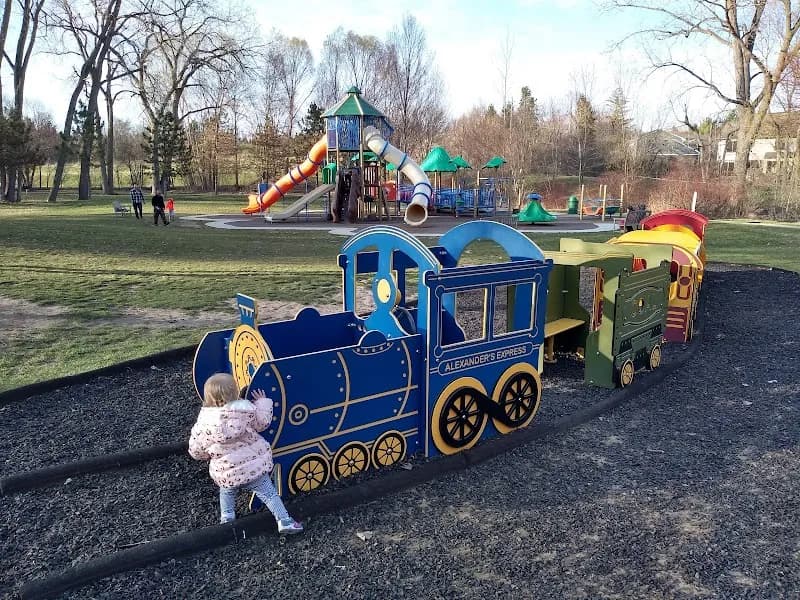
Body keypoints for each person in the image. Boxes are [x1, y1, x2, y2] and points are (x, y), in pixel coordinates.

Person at [188, 373, 304, 533]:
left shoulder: (203, 423)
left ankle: (227, 519)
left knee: (226, 493)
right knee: (269, 494)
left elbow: (196, 450)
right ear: (235, 393)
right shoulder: (245, 413)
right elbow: (263, 422)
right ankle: (284, 521)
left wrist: (206, 456)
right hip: (253, 469)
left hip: (226, 473)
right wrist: (262, 402)